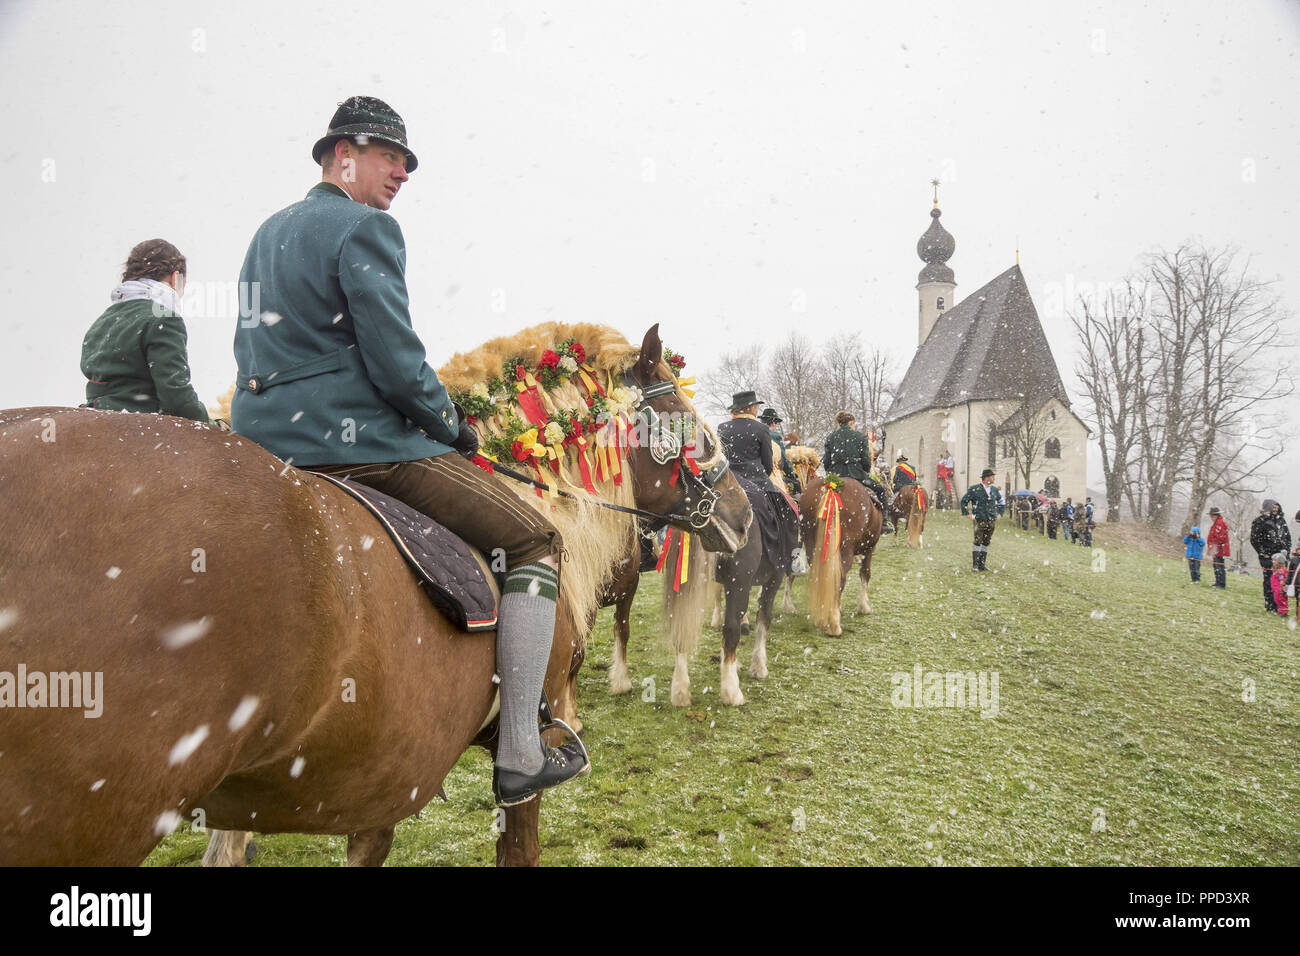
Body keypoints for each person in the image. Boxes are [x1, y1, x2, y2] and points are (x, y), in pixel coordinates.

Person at [230, 95, 586, 807]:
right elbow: (396, 363)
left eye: (406, 163)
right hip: (355, 444)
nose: (401, 173)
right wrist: (451, 424)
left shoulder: (265, 233)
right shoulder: (365, 230)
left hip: (266, 445)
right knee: (536, 540)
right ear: (343, 156)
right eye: (390, 157)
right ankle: (519, 748)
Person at [81, 239, 212, 423]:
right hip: (139, 425)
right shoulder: (164, 318)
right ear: (176, 278)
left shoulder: (103, 320)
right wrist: (212, 425)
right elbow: (176, 397)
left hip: (94, 417)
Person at [718, 391, 800, 574]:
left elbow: (721, 458)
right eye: (756, 406)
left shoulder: (722, 427)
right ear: (752, 408)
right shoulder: (761, 429)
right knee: (790, 513)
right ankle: (793, 561)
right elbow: (768, 465)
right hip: (758, 482)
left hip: (729, 482)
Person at [823, 411, 893, 533]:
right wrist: (864, 471)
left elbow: (826, 461)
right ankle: (884, 523)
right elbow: (866, 460)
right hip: (856, 474)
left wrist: (831, 472)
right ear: (851, 422)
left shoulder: (830, 437)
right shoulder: (860, 437)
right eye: (854, 424)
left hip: (836, 476)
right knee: (881, 490)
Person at [1250, 500, 1291, 612]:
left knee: (1282, 582)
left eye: (1277, 508)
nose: (1275, 510)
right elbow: (1254, 540)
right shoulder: (1259, 522)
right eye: (1273, 508)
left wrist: (1287, 551)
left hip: (1281, 557)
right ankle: (1270, 605)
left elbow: (1287, 538)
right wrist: (1263, 553)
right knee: (1270, 581)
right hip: (1268, 557)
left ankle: (1280, 606)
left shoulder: (1281, 521)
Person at [961, 468, 1004, 571]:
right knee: (977, 541)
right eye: (992, 476)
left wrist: (1000, 514)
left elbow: (1001, 502)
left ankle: (982, 565)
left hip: (991, 520)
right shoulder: (974, 489)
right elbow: (964, 501)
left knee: (986, 541)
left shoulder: (994, 490)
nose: (994, 478)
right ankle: (975, 565)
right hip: (979, 519)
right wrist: (967, 514)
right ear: (986, 478)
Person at [759, 407, 801, 498]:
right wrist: (791, 474)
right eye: (776, 423)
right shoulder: (775, 436)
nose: (776, 426)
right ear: (773, 423)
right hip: (771, 474)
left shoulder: (756, 432)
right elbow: (784, 458)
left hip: (756, 472)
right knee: (794, 494)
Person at [1206, 506, 1230, 589]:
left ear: (1216, 515)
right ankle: (1218, 582)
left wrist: (1214, 545)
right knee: (1216, 566)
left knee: (1219, 566)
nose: (1211, 518)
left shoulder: (1219, 523)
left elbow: (1220, 538)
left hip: (1218, 549)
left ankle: (1221, 584)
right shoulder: (1217, 523)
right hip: (1216, 548)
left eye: (1212, 516)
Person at [1270, 552, 1290, 617]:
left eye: (1274, 560)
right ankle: (1281, 611)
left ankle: (1283, 612)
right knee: (1277, 599)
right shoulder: (1276, 569)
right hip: (1276, 588)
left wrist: (1282, 587)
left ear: (1279, 562)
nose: (1273, 561)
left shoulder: (1282, 570)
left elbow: (1285, 578)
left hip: (1280, 588)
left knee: (1281, 600)